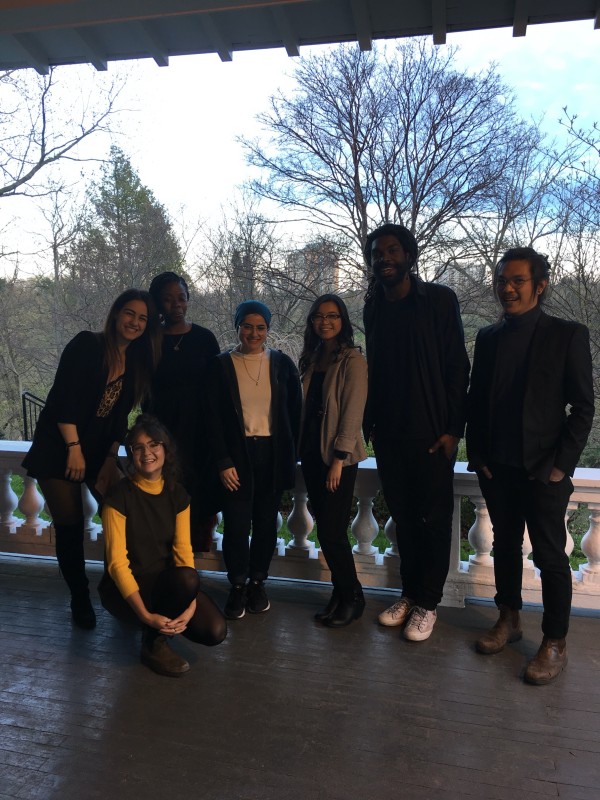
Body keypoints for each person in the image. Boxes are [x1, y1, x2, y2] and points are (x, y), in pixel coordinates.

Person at [466, 247, 594, 684]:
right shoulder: (488, 337)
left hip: (543, 469)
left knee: (551, 557)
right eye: (502, 280)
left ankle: (555, 641)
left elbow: (583, 408)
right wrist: (477, 455)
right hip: (497, 468)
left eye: (517, 280)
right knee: (504, 547)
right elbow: (476, 400)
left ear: (540, 285)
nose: (507, 288)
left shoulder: (567, 335)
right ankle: (509, 619)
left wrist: (560, 466)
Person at [22, 290, 161, 630]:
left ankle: (124, 591)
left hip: (100, 449)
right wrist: (73, 447)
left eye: (142, 318)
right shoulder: (87, 345)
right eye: (129, 313)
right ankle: (80, 597)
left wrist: (111, 457)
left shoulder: (136, 363)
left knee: (125, 515)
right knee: (70, 525)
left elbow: (119, 419)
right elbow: (62, 399)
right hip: (59, 446)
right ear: (116, 314)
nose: (134, 322)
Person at [363, 224, 470, 642]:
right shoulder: (374, 307)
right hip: (390, 433)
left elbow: (457, 365)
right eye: (377, 253)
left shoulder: (438, 300)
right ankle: (409, 594)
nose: (384, 258)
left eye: (392, 251)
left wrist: (453, 429)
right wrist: (371, 424)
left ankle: (428, 603)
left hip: (431, 432)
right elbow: (376, 367)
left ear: (409, 256)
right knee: (404, 519)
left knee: (433, 520)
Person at [99, 414, 227, 677]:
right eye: (138, 447)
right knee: (185, 581)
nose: (147, 453)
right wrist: (146, 616)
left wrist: (190, 607)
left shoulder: (177, 494)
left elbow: (183, 554)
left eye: (153, 444)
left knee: (215, 630)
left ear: (165, 450)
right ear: (131, 454)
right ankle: (153, 643)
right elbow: (117, 565)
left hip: (168, 583)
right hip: (125, 588)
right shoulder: (118, 498)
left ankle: (164, 619)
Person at [206, 300, 301, 620]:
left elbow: (295, 413)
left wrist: (291, 455)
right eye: (247, 326)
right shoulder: (220, 366)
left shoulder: (282, 364)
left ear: (268, 330)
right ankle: (237, 584)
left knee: (265, 523)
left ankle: (258, 582)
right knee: (235, 524)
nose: (254, 333)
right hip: (237, 456)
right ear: (237, 327)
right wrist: (222, 461)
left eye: (261, 327)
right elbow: (211, 419)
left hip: (272, 455)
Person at [299, 294, 368, 627]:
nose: (325, 322)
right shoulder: (313, 357)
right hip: (312, 452)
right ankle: (340, 594)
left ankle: (353, 596)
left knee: (332, 532)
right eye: (319, 316)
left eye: (332, 316)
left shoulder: (352, 360)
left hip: (337, 457)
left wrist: (339, 459)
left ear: (343, 321)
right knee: (326, 531)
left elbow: (353, 412)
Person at [145, 271, 220, 552]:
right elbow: (142, 390)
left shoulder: (204, 338)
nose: (176, 305)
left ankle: (189, 563)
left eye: (181, 298)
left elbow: (218, 389)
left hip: (200, 432)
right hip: (161, 431)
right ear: (157, 302)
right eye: (168, 299)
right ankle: (165, 561)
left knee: (197, 495)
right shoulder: (149, 340)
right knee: (163, 495)